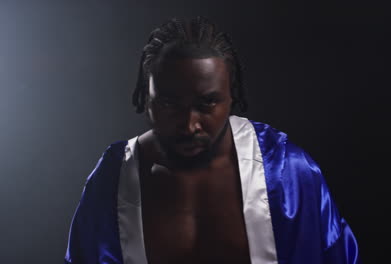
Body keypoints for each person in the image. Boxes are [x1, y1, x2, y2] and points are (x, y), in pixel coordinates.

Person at [64, 16, 361, 264]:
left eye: (207, 104)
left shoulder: (287, 173)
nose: (189, 124)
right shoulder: (113, 178)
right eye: (169, 103)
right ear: (146, 97)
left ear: (232, 96)